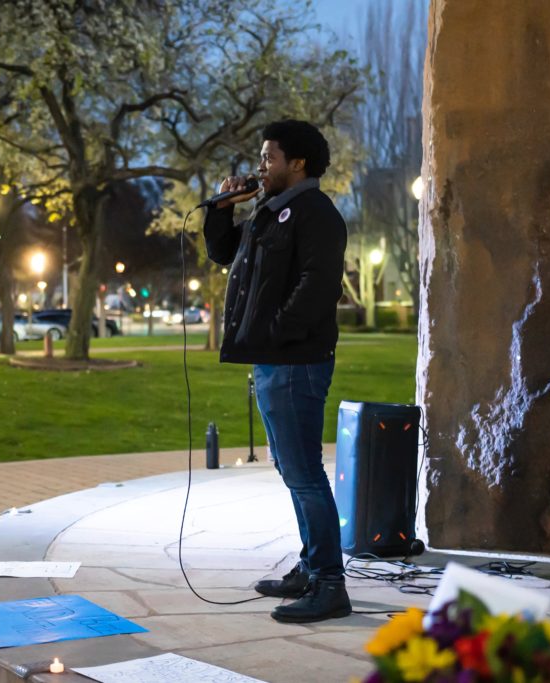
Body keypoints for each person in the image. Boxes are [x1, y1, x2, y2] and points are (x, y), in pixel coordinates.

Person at [203, 119, 349, 623]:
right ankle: (311, 568)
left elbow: (318, 285)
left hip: (296, 361)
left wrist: (277, 331)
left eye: (268, 158)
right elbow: (225, 252)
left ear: (298, 163)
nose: (260, 167)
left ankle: (330, 583)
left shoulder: (315, 213)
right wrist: (223, 208)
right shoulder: (272, 213)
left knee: (305, 474)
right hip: (274, 359)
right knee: (293, 471)